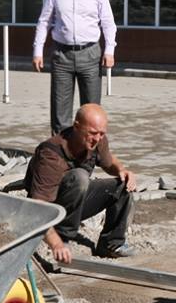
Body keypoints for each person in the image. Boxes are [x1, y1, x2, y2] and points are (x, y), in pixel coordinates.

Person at [25, 103, 136, 263]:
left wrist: (122, 170)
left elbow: (109, 161)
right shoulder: (51, 156)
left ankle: (111, 244)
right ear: (76, 127)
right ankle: (63, 237)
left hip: (74, 204)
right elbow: (37, 207)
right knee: (80, 177)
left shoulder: (97, 140)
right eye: (92, 133)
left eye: (101, 134)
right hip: (49, 211)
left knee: (122, 185)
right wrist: (56, 244)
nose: (97, 139)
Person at [33, 0, 117, 134]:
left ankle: (89, 157)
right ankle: (60, 155)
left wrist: (109, 50)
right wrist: (38, 51)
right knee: (60, 111)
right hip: (62, 55)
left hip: (90, 54)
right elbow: (44, 21)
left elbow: (108, 23)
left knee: (92, 111)